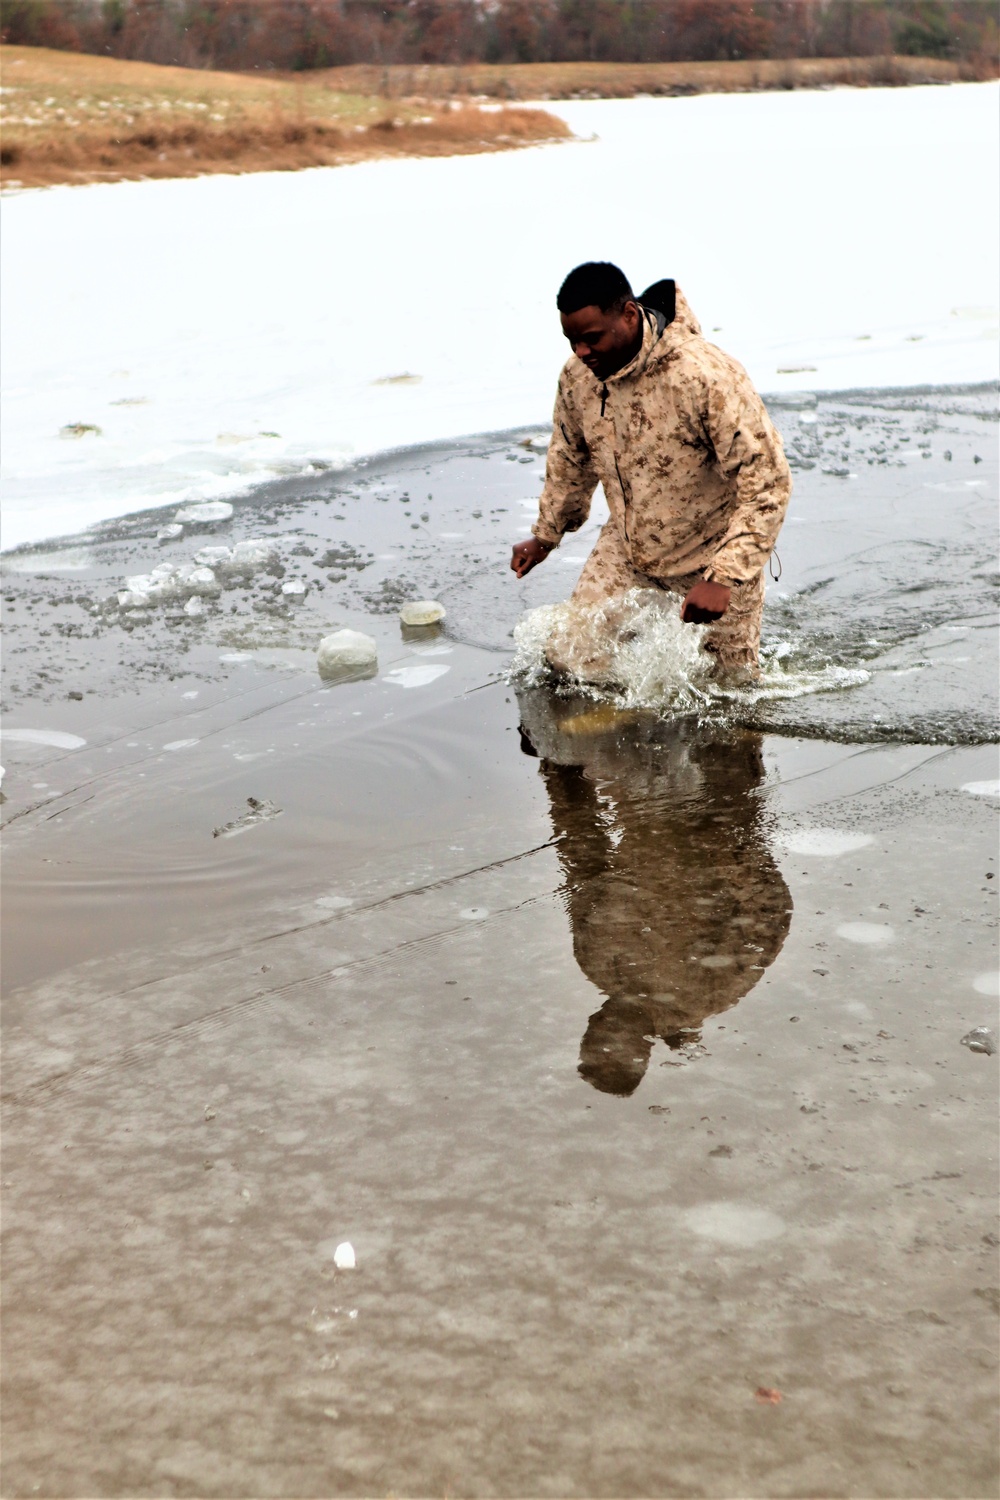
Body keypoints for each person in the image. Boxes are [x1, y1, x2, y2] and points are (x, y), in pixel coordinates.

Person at [511, 262, 792, 678]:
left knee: (729, 701)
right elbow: (571, 457)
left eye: (591, 339)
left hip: (709, 559)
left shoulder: (703, 375)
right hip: (627, 553)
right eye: (572, 341)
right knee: (570, 659)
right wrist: (546, 534)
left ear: (628, 314)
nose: (580, 353)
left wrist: (726, 575)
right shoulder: (579, 379)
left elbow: (768, 482)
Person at [516, 688, 792, 1096]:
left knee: (652, 688)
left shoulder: (594, 963)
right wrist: (733, 848)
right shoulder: (706, 993)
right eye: (610, 1048)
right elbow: (769, 918)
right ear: (642, 1053)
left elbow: (582, 855)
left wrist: (559, 770)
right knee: (722, 695)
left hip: (644, 803)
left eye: (590, 1040)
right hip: (718, 808)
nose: (600, 1030)